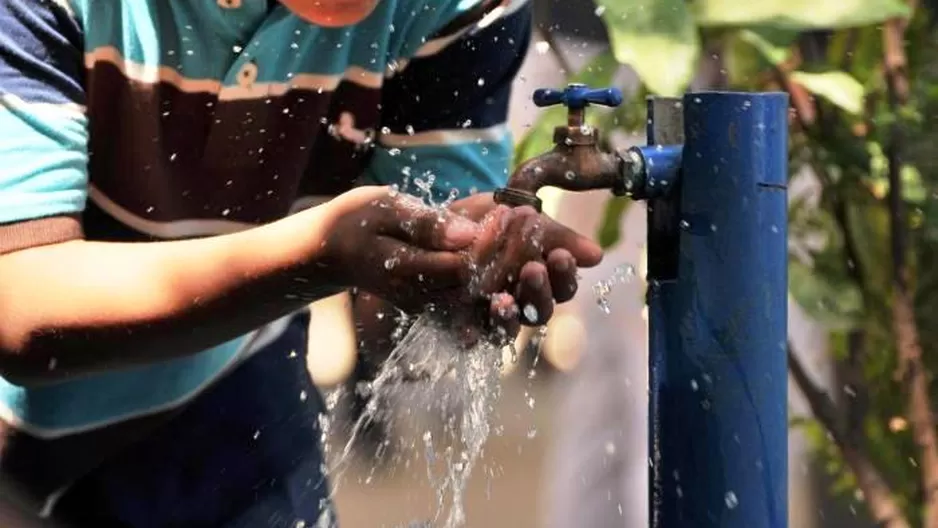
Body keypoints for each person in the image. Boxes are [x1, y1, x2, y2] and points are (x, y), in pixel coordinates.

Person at [0, 0, 603, 526]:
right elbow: (18, 302)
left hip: (234, 398)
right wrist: (315, 257)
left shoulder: (457, 6)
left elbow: (390, 324)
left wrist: (459, 268)